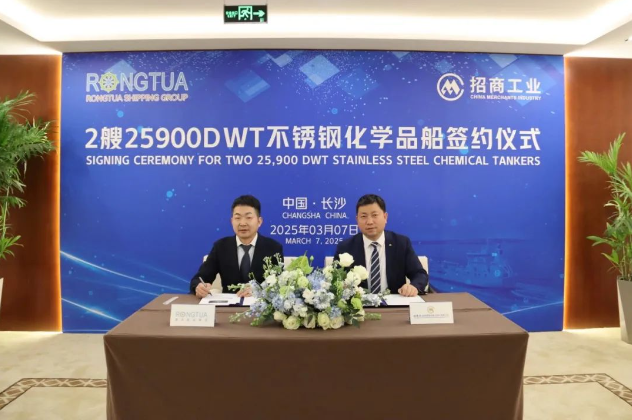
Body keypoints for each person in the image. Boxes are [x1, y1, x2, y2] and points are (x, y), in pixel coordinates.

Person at [190, 195, 283, 298]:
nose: (242, 223)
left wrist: (259, 291)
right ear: (232, 221)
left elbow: (280, 284)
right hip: (228, 305)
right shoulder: (221, 247)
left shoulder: (273, 248)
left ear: (259, 221)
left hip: (260, 305)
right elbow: (200, 278)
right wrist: (198, 287)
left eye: (248, 217)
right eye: (237, 218)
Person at [335, 194, 428, 296]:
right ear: (357, 220)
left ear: (385, 217)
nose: (369, 222)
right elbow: (335, 281)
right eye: (364, 216)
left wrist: (413, 286)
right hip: (360, 303)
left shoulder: (401, 243)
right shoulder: (346, 247)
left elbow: (419, 274)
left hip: (394, 302)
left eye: (374, 215)